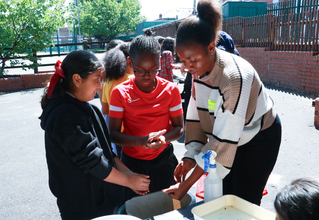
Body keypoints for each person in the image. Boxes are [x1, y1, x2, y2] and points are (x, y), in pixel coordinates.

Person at [163, 0, 282, 206]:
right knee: (223, 196)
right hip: (226, 136)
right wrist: (190, 156)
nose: (187, 66)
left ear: (211, 47)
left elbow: (221, 142)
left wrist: (187, 185)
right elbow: (195, 116)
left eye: (192, 60)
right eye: (182, 60)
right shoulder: (199, 70)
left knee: (243, 202)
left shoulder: (234, 77)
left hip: (258, 138)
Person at [39, 50, 150, 220]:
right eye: (96, 79)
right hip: (81, 204)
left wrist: (130, 175)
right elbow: (92, 161)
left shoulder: (89, 109)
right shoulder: (64, 114)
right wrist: (128, 181)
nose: (100, 86)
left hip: (101, 198)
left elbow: (106, 152)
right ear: (77, 79)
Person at [108, 35, 184, 201]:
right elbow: (113, 133)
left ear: (160, 61)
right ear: (130, 63)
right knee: (137, 210)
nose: (147, 75)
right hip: (132, 166)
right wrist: (142, 142)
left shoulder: (171, 90)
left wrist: (163, 138)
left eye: (154, 69)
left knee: (168, 208)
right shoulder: (120, 92)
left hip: (164, 161)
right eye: (140, 70)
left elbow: (179, 128)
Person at [100, 43, 133, 157]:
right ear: (129, 61)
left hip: (117, 134)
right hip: (133, 135)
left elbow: (105, 110)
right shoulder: (132, 81)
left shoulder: (108, 82)